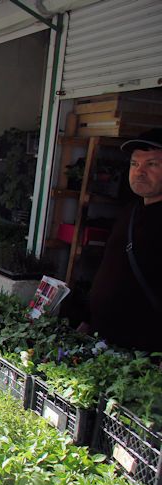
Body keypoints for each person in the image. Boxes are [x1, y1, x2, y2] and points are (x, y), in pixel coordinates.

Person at [86, 128, 162, 352]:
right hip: (107, 341)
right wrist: (87, 318)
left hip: (144, 352)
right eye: (134, 164)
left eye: (152, 164)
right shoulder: (131, 211)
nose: (139, 172)